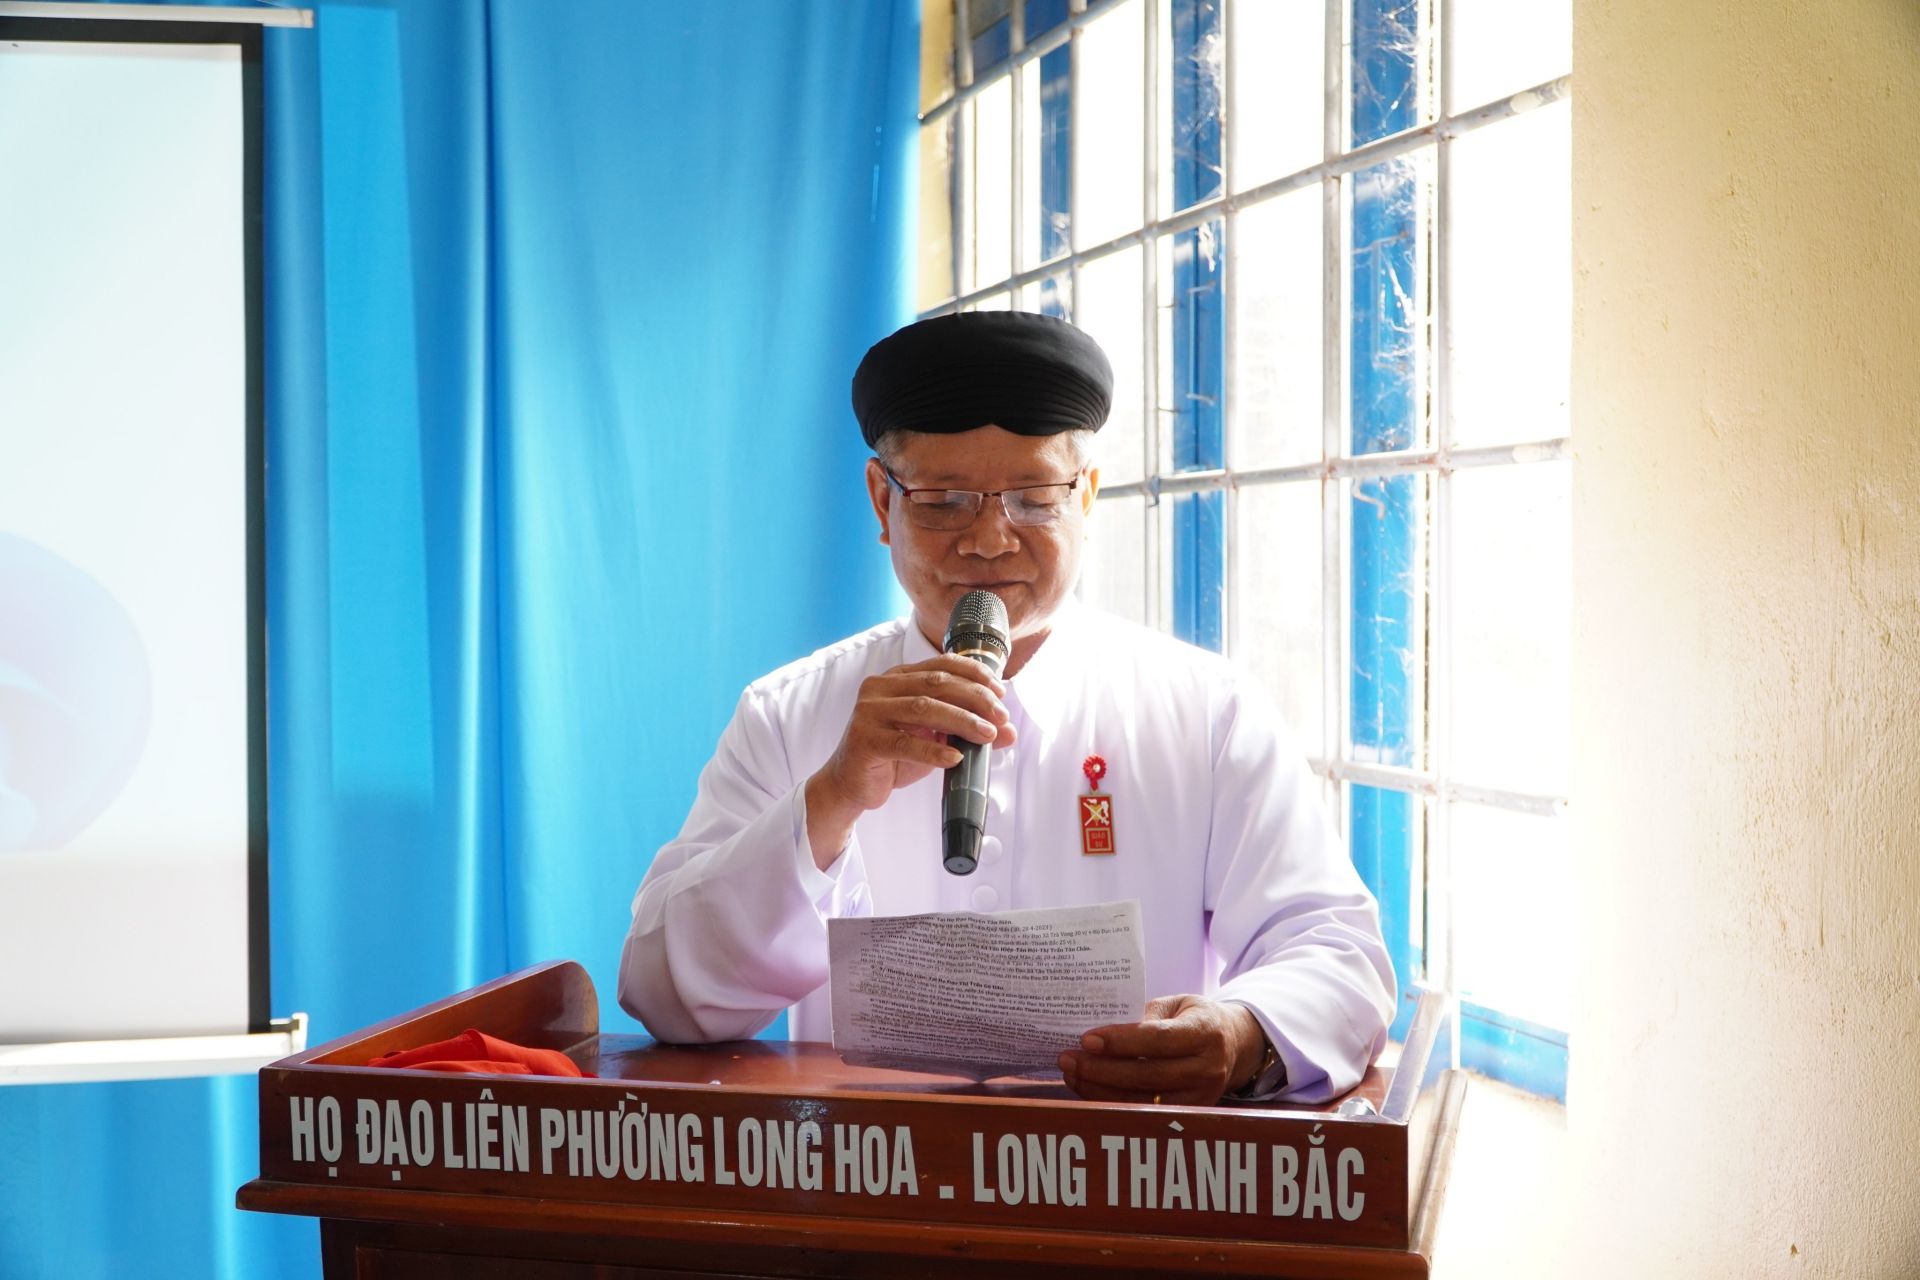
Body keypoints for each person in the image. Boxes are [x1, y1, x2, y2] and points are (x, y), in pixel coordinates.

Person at [619, 311, 1393, 1106]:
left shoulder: (1207, 714)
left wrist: (1243, 1034)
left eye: (1033, 498)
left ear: (1086, 496)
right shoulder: (790, 715)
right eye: (944, 500)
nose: (990, 539)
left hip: (1128, 1166)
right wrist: (831, 797)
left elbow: (1339, 953)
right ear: (882, 503)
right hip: (864, 1166)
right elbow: (662, 989)